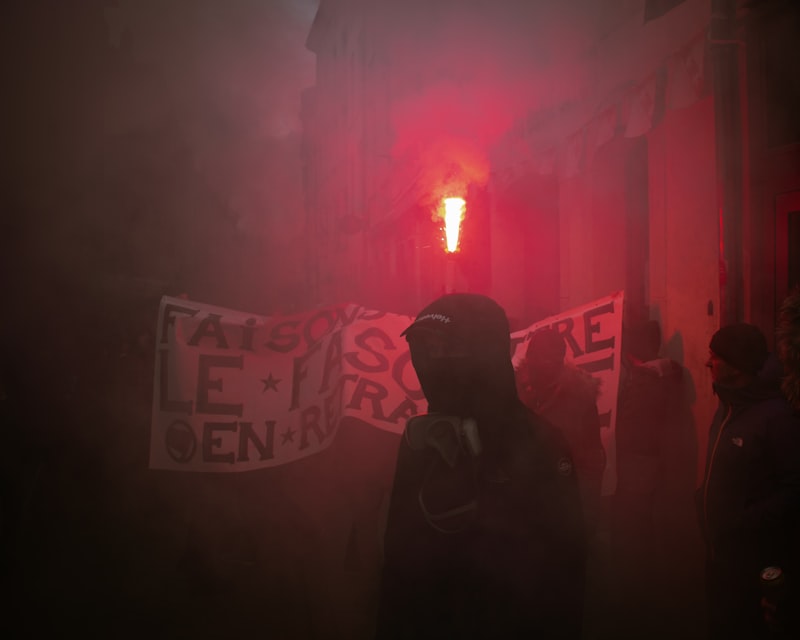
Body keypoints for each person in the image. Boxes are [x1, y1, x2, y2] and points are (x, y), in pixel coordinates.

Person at [375, 293, 586, 639]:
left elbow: (565, 567)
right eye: (424, 349)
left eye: (444, 348)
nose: (432, 362)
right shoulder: (420, 440)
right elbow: (397, 559)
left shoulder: (541, 443)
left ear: (483, 354)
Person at [699, 322, 800, 640]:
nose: (708, 363)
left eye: (714, 356)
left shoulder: (776, 418)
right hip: (723, 559)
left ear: (736, 365)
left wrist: (740, 521)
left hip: (755, 565)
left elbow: (794, 490)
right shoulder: (728, 406)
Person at [516, 327, 605, 533]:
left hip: (562, 506)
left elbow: (592, 460)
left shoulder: (580, 399)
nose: (541, 366)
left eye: (548, 360)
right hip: (522, 506)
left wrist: (586, 517)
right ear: (529, 356)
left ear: (559, 360)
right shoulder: (514, 392)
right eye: (536, 358)